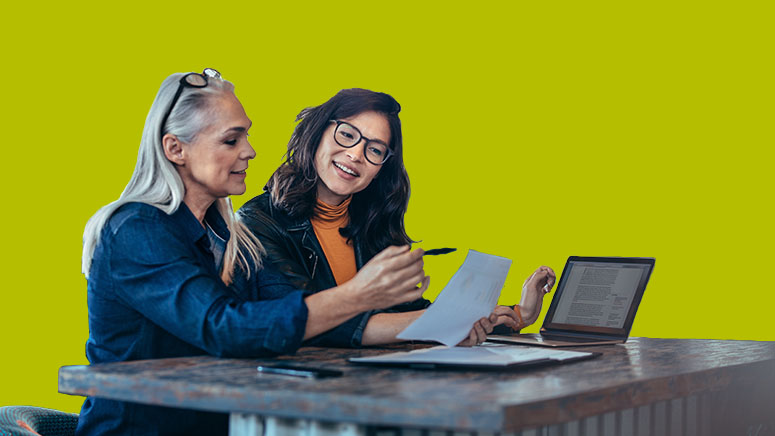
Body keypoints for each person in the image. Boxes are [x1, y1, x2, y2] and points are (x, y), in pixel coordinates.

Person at [76, 71, 440, 436]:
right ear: (175, 149)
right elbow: (226, 328)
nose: (249, 151)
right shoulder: (137, 230)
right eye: (231, 140)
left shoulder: (228, 235)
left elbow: (292, 313)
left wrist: (448, 323)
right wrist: (360, 293)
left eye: (245, 136)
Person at [238, 88, 556, 347]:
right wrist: (447, 323)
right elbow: (308, 321)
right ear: (317, 133)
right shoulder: (257, 223)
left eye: (375, 150)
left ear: (380, 170)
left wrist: (517, 315)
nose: (355, 155)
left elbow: (405, 313)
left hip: (370, 385)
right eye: (347, 134)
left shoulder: (370, 225)